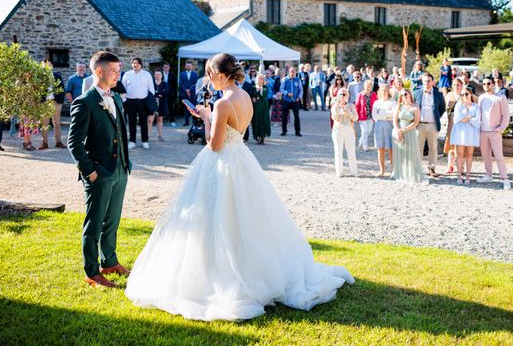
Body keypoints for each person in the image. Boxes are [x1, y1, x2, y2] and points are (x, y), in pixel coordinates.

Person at [125, 53, 353, 320]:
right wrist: (209, 114)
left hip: (222, 164)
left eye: (210, 74)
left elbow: (214, 144)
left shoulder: (223, 103)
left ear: (221, 75)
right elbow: (237, 132)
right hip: (242, 161)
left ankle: (218, 275)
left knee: (215, 219)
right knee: (246, 219)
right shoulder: (244, 96)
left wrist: (206, 118)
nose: (208, 79)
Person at [68, 51, 131, 288]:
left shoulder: (115, 98)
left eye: (119, 70)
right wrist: (89, 172)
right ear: (99, 71)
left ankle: (110, 261)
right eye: (114, 71)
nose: (118, 75)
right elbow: (73, 142)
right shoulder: (84, 102)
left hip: (120, 170)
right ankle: (92, 272)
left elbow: (121, 134)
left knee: (112, 221)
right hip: (98, 174)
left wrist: (125, 166)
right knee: (94, 224)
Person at [477, 76, 511, 189]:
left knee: (498, 155)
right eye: (484, 84)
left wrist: (501, 129)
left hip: (495, 131)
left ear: (493, 84)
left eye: (488, 83)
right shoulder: (481, 98)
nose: (486, 85)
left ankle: (505, 179)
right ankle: (488, 175)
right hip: (482, 131)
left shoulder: (500, 98)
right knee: (485, 155)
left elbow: (506, 115)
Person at [414, 73, 446, 178]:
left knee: (433, 148)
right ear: (422, 82)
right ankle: (417, 169)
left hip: (433, 125)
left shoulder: (438, 94)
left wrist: (435, 117)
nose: (427, 83)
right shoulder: (416, 93)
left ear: (432, 82)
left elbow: (442, 109)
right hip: (420, 125)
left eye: (428, 81)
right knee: (418, 148)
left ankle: (432, 169)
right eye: (425, 81)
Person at [391, 89, 424, 184]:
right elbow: (395, 120)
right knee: (400, 152)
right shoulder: (399, 106)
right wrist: (398, 131)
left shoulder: (415, 107)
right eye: (401, 95)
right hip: (399, 131)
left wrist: (404, 130)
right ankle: (400, 173)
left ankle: (411, 174)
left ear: (410, 94)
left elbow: (416, 122)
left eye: (405, 94)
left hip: (410, 132)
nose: (403, 96)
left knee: (411, 153)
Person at [122, 58, 155, 150]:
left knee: (143, 122)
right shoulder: (127, 74)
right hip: (130, 101)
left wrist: (149, 100)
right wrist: (124, 100)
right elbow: (123, 89)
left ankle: (145, 141)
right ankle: (132, 141)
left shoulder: (147, 74)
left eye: (137, 63)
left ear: (141, 64)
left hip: (143, 101)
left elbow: (151, 89)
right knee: (131, 121)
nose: (135, 65)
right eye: (133, 63)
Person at [450, 89, 481, 185]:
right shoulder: (459, 105)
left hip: (471, 133)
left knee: (469, 154)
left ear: (470, 94)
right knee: (459, 154)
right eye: (462, 94)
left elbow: (478, 120)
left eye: (466, 94)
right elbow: (456, 119)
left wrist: (466, 118)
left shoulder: (476, 106)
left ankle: (468, 176)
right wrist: (470, 117)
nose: (464, 96)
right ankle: (459, 175)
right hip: (460, 132)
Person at [330, 88, 359, 177]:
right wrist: (339, 110)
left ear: (347, 96)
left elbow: (356, 118)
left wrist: (348, 113)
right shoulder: (335, 105)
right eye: (341, 94)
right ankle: (339, 171)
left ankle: (354, 171)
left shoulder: (351, 106)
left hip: (349, 130)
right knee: (338, 151)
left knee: (351, 152)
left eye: (344, 94)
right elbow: (334, 117)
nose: (343, 96)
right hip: (338, 130)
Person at [40, 59, 66, 149]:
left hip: (56, 102)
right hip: (44, 102)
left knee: (57, 123)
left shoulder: (57, 76)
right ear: (42, 67)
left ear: (52, 66)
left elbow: (62, 89)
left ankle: (58, 142)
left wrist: (60, 102)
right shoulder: (40, 77)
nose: (48, 67)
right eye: (45, 65)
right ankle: (45, 143)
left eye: (49, 65)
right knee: (44, 123)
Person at [372, 84, 395, 176]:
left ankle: (394, 170)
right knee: (380, 148)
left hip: (389, 126)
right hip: (378, 126)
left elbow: (393, 114)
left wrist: (381, 113)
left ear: (388, 91)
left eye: (385, 90)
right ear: (379, 92)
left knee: (391, 149)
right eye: (382, 90)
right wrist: (386, 115)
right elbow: (374, 115)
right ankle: (382, 170)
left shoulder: (393, 102)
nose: (384, 92)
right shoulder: (377, 103)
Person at [443, 78, 464, 174]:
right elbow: (444, 108)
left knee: (461, 145)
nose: (456, 87)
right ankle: (450, 166)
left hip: (462, 123)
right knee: (451, 145)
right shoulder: (449, 95)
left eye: (458, 85)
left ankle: (461, 167)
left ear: (462, 85)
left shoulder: (465, 95)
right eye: (454, 85)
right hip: (451, 122)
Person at [355, 80, 377, 151]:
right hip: (362, 116)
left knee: (369, 131)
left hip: (371, 116)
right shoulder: (360, 95)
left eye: (370, 86)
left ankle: (361, 141)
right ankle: (365, 146)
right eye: (367, 86)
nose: (368, 88)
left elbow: (376, 105)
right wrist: (356, 116)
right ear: (364, 87)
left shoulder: (374, 94)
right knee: (364, 131)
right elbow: (357, 105)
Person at [280, 67, 303, 137]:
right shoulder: (285, 79)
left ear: (295, 72)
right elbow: (281, 89)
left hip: (295, 101)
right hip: (286, 100)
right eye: (291, 72)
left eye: (294, 72)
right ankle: (284, 131)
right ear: (289, 72)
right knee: (284, 116)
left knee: (296, 116)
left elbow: (301, 90)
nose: (292, 73)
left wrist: (299, 97)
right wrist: (287, 93)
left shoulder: (298, 80)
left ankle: (297, 131)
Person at [148, 71, 169, 142]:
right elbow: (150, 92)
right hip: (152, 103)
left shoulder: (164, 84)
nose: (158, 76)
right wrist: (159, 94)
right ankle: (147, 136)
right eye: (156, 74)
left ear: (162, 75)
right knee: (150, 120)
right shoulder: (151, 83)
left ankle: (160, 135)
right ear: (154, 75)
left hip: (162, 104)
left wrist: (156, 94)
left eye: (159, 74)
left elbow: (165, 93)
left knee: (160, 119)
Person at [250, 73, 271, 144]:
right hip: (256, 107)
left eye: (262, 78)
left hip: (264, 107)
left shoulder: (265, 87)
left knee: (264, 120)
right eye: (259, 78)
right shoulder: (253, 87)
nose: (260, 80)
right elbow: (252, 95)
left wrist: (260, 89)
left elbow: (264, 96)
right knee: (256, 121)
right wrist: (253, 97)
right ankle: (257, 136)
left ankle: (263, 137)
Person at [179, 61, 198, 126]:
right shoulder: (182, 74)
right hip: (184, 93)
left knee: (193, 107)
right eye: (187, 66)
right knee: (186, 108)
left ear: (192, 66)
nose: (188, 67)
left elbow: (195, 84)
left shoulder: (195, 74)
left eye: (189, 66)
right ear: (185, 66)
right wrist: (186, 90)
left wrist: (190, 90)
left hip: (192, 94)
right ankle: (186, 121)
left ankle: (194, 122)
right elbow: (181, 84)